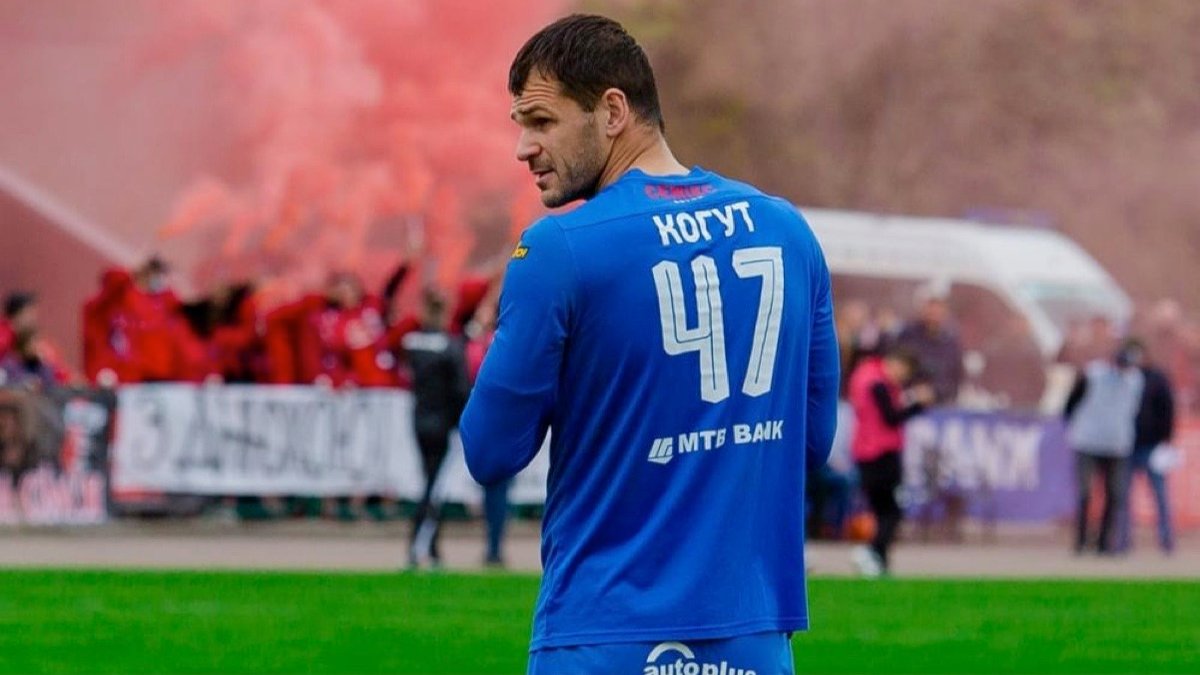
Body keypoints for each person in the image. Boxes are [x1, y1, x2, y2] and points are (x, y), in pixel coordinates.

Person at [459, 15, 839, 674]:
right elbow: (812, 442)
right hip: (751, 635)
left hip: (603, 634)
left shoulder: (558, 249)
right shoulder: (787, 230)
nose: (523, 147)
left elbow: (490, 451)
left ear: (612, 112)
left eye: (542, 121)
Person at [847, 347, 933, 576]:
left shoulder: (865, 375)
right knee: (891, 511)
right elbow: (891, 418)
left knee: (882, 510)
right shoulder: (878, 383)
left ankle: (879, 561)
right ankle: (872, 552)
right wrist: (918, 405)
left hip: (865, 452)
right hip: (881, 454)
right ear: (897, 364)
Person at [403, 290, 470, 569]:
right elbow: (460, 388)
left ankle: (428, 545)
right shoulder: (450, 347)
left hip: (420, 420)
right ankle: (422, 544)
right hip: (442, 423)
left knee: (429, 481)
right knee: (435, 486)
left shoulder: (413, 344)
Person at [1063, 339, 1145, 555]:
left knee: (1114, 494)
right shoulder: (1094, 375)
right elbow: (1071, 403)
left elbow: (1136, 410)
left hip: (1118, 444)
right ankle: (1081, 540)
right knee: (1085, 492)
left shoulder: (1136, 380)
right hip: (1088, 441)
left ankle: (1104, 542)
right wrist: (1076, 425)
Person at [1115, 340, 1176, 554]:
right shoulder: (1122, 378)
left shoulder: (1157, 379)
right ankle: (1122, 541)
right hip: (1125, 445)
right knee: (1123, 497)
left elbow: (1167, 409)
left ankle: (1166, 539)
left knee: (1160, 495)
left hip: (1151, 445)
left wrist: (1165, 439)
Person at [894, 283, 964, 405]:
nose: (934, 311)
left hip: (941, 408)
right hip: (909, 405)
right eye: (931, 305)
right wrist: (915, 392)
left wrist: (934, 392)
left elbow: (955, 379)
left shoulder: (951, 343)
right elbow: (895, 372)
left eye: (939, 306)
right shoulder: (907, 336)